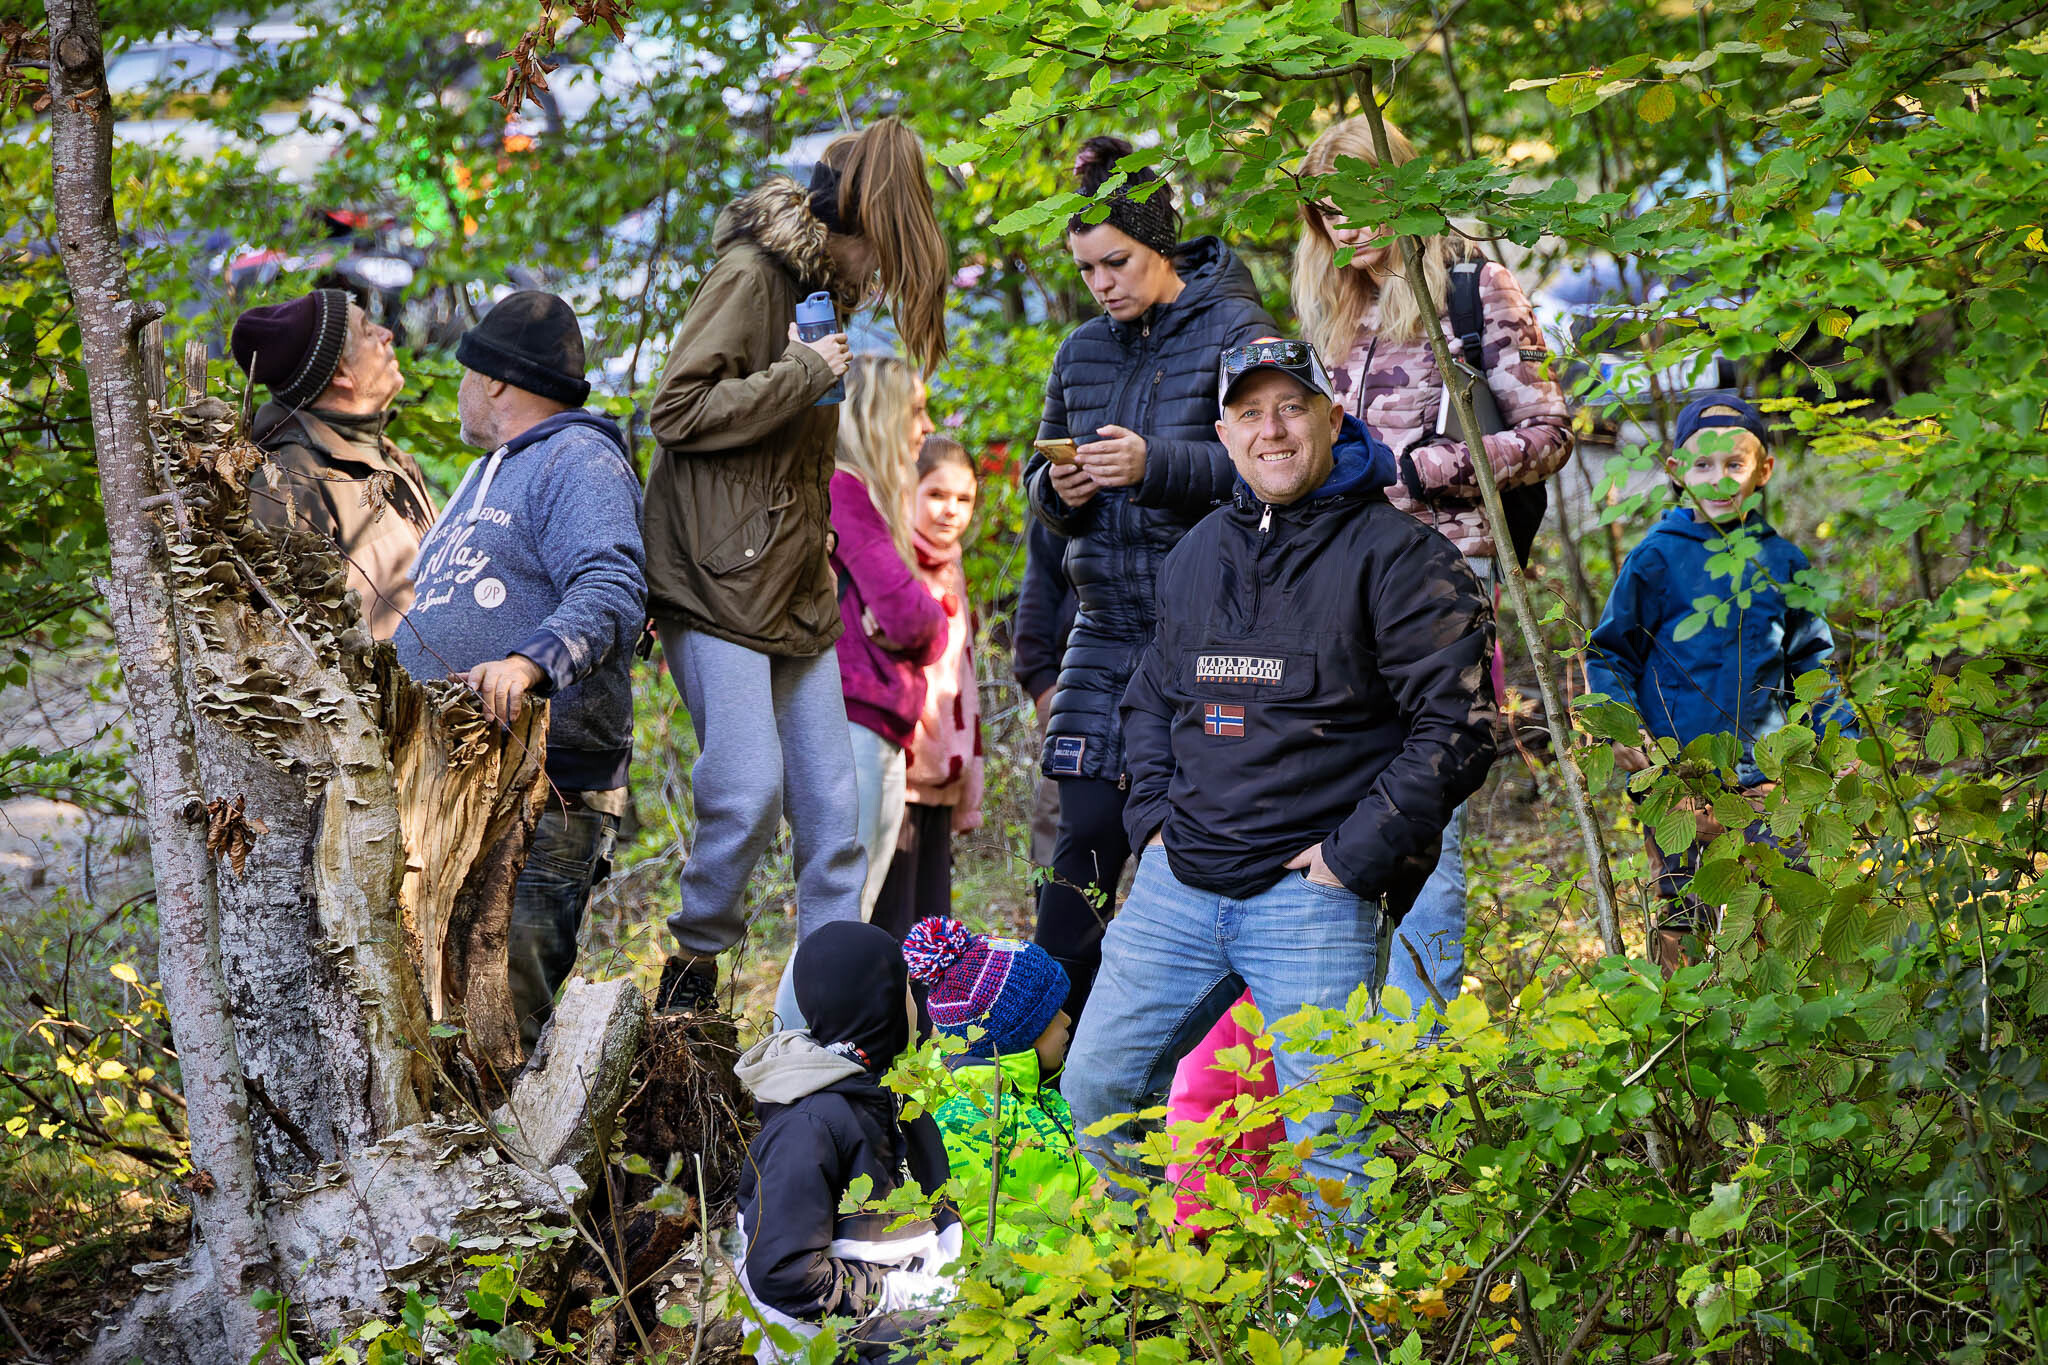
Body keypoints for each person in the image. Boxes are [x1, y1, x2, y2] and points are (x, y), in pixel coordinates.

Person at [1062, 339, 1496, 1209]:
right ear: (1223, 435)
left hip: (1312, 897)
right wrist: (1154, 825)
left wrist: (1350, 858)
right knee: (1097, 1089)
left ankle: (1342, 1297)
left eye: (1292, 408)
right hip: (1181, 886)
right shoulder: (1197, 554)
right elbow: (1149, 700)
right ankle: (1157, 1277)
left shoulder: (1401, 557)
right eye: (1250, 413)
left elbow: (1459, 726)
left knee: (1333, 1145)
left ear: (1332, 420)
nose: (1273, 430)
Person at [642, 117, 949, 1012]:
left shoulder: (823, 294)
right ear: (857, 229)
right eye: (884, 254)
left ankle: (830, 1017)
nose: (882, 277)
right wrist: (801, 371)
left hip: (792, 588)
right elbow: (675, 410)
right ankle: (690, 981)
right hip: (712, 583)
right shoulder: (754, 275)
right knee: (746, 790)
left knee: (833, 820)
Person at [1294, 115, 1574, 1026]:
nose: (1347, 228)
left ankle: (1423, 1046)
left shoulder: (1470, 286)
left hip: (1444, 586)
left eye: (1362, 204)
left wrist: (1432, 466)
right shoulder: (1333, 308)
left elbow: (1550, 432)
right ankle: (1348, 1028)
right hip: (1339, 588)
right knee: (1342, 797)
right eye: (1328, 214)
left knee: (1428, 806)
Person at [1024, 134, 1278, 1024]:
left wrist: (1154, 464)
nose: (1101, 284)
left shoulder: (1237, 332)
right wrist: (1056, 489)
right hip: (1102, 635)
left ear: (1159, 246)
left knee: (1207, 846)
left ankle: (1208, 1061)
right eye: (1086, 269)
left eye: (1117, 262)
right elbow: (1041, 496)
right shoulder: (1079, 353)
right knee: (1082, 847)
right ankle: (1046, 1052)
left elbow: (1275, 470)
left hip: (1214, 637)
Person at [390, 291, 646, 1053]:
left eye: (466, 374)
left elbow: (613, 584)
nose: (461, 390)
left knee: (500, 1019)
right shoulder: (482, 476)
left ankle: (513, 1130)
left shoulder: (581, 460)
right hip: (445, 788)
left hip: (542, 792)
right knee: (426, 1018)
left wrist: (530, 661)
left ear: (495, 379)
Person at [1586, 396, 1858, 969]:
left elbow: (1813, 664)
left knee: (1774, 912)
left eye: (1734, 464)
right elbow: (1611, 652)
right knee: (1682, 916)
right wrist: (1621, 729)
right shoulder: (1656, 558)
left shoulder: (1781, 561)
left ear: (1763, 470)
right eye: (1703, 465)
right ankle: (1678, 1017)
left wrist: (1844, 739)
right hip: (1677, 778)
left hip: (1767, 781)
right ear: (1677, 470)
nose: (1718, 478)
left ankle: (1776, 1015)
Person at [733, 920, 962, 1363]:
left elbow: (944, 1229)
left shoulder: (900, 1107)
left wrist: (950, 1284)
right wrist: (900, 1292)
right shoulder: (810, 1125)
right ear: (883, 1004)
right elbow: (784, 1273)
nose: (918, 1003)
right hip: (820, 1338)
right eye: (907, 989)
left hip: (904, 1311)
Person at [231, 288, 438, 640]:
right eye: (368, 331)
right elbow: (292, 640)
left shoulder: (383, 453)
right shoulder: (290, 484)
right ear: (341, 373)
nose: (386, 334)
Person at [830, 356, 948, 920]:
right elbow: (916, 620)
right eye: (915, 410)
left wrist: (921, 623)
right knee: (842, 910)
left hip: (868, 725)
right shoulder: (845, 490)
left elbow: (918, 622)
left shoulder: (861, 495)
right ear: (878, 415)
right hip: (856, 725)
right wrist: (921, 623)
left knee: (848, 907)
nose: (927, 427)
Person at [902, 917, 1083, 1266]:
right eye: (1051, 1016)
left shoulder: (1031, 1093)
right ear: (1013, 1037)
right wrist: (1073, 1273)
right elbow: (978, 1233)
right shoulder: (970, 1117)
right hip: (1044, 1282)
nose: (1067, 1020)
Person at [873, 437, 984, 937]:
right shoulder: (893, 558)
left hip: (944, 771)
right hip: (899, 766)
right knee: (891, 919)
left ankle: (928, 996)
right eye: (937, 494)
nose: (950, 510)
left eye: (964, 498)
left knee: (932, 924)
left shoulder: (951, 563)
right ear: (908, 492)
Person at [1012, 519, 1075, 869]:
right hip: (1070, 688)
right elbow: (1037, 595)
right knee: (1059, 818)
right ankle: (1051, 902)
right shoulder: (1064, 499)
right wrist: (1044, 687)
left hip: (1162, 684)